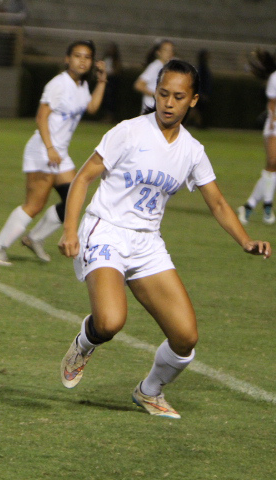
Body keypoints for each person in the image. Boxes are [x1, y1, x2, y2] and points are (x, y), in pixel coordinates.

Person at [57, 59, 271, 419]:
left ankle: (149, 391)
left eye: (178, 97)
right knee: (109, 322)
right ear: (155, 93)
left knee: (185, 338)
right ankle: (85, 342)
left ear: (194, 100)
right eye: (163, 94)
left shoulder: (192, 150)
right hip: (106, 230)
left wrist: (245, 241)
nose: (168, 103)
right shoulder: (129, 132)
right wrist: (69, 230)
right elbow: (83, 178)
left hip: (147, 243)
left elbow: (218, 203)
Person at [0, 40, 107, 266]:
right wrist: (50, 148)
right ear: (67, 59)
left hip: (59, 154)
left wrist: (102, 81)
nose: (82, 61)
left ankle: (34, 238)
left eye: (87, 57)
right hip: (43, 150)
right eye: (77, 56)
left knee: (73, 198)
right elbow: (41, 117)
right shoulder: (58, 84)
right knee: (34, 205)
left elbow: (91, 108)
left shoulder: (81, 85)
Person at [238, 49, 276, 225]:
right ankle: (267, 206)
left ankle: (249, 206)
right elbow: (272, 103)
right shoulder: (275, 77)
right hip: (274, 127)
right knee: (272, 164)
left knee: (271, 170)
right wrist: (272, 123)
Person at [134, 39, 174, 113]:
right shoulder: (155, 66)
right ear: (158, 52)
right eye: (166, 50)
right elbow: (139, 85)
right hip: (150, 109)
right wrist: (156, 95)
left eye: (171, 50)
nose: (169, 53)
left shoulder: (165, 67)